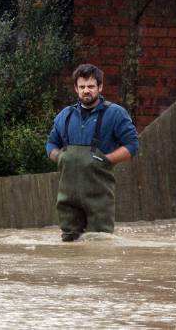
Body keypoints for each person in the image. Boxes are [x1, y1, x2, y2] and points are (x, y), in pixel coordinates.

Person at [46, 64, 139, 242]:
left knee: (100, 242)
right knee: (69, 243)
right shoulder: (65, 115)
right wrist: (60, 157)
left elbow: (132, 145)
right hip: (68, 197)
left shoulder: (116, 114)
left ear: (100, 87)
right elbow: (51, 143)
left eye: (90, 86)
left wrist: (105, 159)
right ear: (76, 88)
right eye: (82, 87)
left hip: (99, 196)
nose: (86, 91)